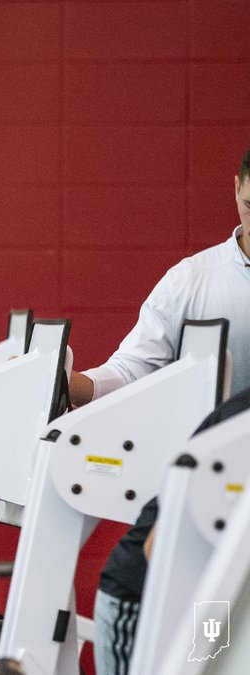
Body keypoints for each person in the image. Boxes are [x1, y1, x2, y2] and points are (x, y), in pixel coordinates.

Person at [79, 147, 250, 675]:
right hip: (210, 508)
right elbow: (130, 370)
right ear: (237, 190)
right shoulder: (193, 281)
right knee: (211, 649)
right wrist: (73, 387)